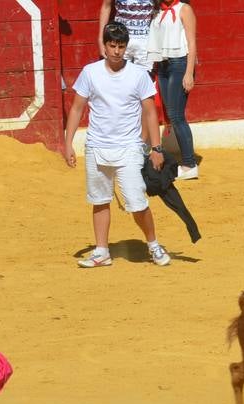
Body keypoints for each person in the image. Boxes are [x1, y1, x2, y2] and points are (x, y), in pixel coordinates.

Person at [64, 21, 170, 269]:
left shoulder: (137, 74)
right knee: (99, 199)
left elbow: (150, 113)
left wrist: (156, 148)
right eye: (112, 46)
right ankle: (102, 251)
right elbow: (77, 107)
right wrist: (68, 143)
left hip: (129, 147)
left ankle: (153, 245)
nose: (116, 52)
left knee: (136, 201)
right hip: (97, 146)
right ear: (105, 45)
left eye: (121, 46)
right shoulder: (90, 72)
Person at [147, 0, 197, 180]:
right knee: (171, 114)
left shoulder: (184, 9)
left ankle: (190, 164)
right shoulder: (157, 12)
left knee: (176, 116)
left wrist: (189, 73)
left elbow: (191, 42)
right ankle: (188, 162)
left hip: (179, 64)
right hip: (163, 66)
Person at [97, 0, 154, 68]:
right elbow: (106, 6)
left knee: (144, 75)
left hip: (145, 39)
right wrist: (101, 39)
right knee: (119, 74)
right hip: (120, 38)